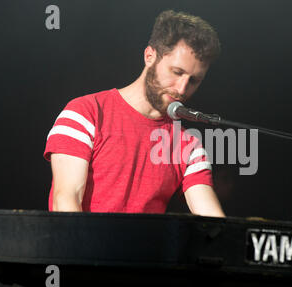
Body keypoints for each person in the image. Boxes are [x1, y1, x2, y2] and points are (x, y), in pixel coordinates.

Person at [44, 10, 225, 218]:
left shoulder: (188, 145)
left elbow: (213, 223)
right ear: (150, 56)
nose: (182, 88)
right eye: (176, 72)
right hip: (83, 248)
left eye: (194, 80)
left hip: (145, 251)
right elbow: (65, 200)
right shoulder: (85, 112)